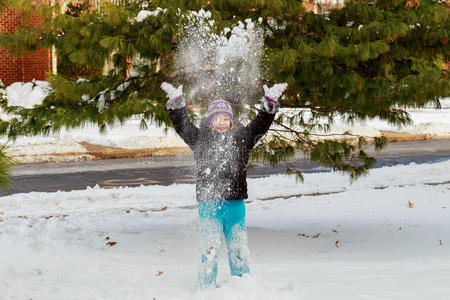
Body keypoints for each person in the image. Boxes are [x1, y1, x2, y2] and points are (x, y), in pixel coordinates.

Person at [160, 81, 287, 288]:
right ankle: (206, 285)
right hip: (209, 205)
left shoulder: (242, 138)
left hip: (235, 205)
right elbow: (182, 127)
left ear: (231, 121)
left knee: (238, 247)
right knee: (210, 247)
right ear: (209, 121)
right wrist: (176, 104)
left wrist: (269, 105)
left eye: (225, 118)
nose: (220, 122)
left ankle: (242, 285)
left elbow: (260, 125)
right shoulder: (199, 139)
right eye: (216, 118)